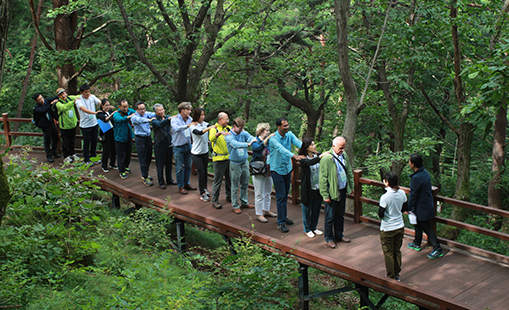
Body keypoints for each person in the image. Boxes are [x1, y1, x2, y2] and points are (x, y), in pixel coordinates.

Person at [269, 117, 305, 233]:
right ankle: (281, 222)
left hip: (287, 169)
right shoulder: (273, 139)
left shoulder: (289, 134)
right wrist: (294, 156)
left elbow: (299, 143)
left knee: (285, 194)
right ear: (278, 127)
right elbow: (281, 149)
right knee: (280, 196)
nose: (287, 127)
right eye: (284, 125)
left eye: (287, 125)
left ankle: (283, 217)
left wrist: (310, 149)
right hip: (277, 170)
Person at [406, 153, 444, 259]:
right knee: (417, 224)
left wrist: (409, 207)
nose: (409, 163)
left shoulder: (416, 178)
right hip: (425, 205)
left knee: (427, 228)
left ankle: (437, 249)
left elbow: (413, 194)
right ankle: (417, 242)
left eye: (409, 161)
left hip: (422, 207)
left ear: (413, 164)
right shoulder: (424, 173)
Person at [319, 136, 354, 248]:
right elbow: (323, 178)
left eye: (343, 147)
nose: (342, 150)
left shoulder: (344, 155)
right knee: (330, 216)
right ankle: (329, 238)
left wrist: (351, 186)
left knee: (340, 215)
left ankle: (339, 234)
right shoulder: (326, 159)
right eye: (340, 148)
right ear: (333, 146)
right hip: (332, 192)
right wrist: (325, 195)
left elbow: (349, 171)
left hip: (342, 190)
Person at [378, 171, 407, 281]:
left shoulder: (385, 197)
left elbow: (380, 214)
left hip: (388, 227)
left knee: (388, 252)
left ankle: (390, 276)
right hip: (399, 225)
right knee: (397, 250)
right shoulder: (402, 193)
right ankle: (397, 273)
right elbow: (404, 208)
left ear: (386, 182)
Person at [224, 117, 255, 214]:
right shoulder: (228, 136)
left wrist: (252, 140)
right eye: (240, 128)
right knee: (235, 185)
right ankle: (235, 205)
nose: (241, 130)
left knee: (245, 183)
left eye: (242, 128)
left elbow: (251, 137)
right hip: (235, 164)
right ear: (234, 126)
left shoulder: (243, 132)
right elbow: (235, 144)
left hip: (244, 162)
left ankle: (244, 202)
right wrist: (248, 144)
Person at [299, 138, 328, 238]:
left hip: (318, 187)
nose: (314, 146)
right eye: (312, 145)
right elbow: (309, 163)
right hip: (308, 188)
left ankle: (314, 227)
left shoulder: (317, 155)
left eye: (314, 144)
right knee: (307, 209)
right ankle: (307, 229)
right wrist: (320, 156)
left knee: (316, 208)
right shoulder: (303, 158)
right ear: (307, 148)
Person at [251, 123, 276, 223]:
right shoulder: (255, 141)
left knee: (268, 191)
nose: (268, 132)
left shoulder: (269, 142)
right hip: (259, 170)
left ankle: (266, 210)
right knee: (259, 193)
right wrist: (267, 139)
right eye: (267, 130)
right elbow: (257, 148)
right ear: (261, 131)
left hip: (268, 169)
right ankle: (259, 213)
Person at [190, 108, 216, 201]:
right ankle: (202, 193)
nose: (203, 117)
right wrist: (209, 128)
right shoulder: (192, 126)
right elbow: (200, 133)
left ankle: (205, 188)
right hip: (196, 154)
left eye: (204, 115)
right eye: (201, 115)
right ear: (197, 116)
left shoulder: (204, 124)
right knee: (201, 172)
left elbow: (212, 126)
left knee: (205, 172)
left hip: (205, 152)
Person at [171, 102, 197, 194]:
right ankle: (180, 186)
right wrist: (187, 126)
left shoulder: (190, 119)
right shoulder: (175, 119)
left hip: (188, 145)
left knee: (188, 166)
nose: (190, 111)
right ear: (182, 110)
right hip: (178, 147)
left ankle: (187, 183)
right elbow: (175, 128)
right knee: (179, 168)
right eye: (188, 110)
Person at [209, 112, 232, 209]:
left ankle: (229, 196)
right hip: (218, 159)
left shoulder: (228, 128)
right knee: (218, 180)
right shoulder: (214, 129)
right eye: (226, 119)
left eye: (228, 119)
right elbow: (211, 138)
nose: (227, 121)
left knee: (229, 179)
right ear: (220, 120)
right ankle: (215, 201)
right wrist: (219, 133)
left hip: (229, 158)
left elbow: (237, 132)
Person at [131, 101, 157, 187]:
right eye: (141, 109)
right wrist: (149, 120)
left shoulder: (146, 114)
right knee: (143, 157)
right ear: (136, 110)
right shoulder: (134, 117)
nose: (143, 111)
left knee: (149, 156)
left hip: (148, 138)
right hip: (140, 138)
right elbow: (140, 120)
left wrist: (159, 112)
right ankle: (145, 176)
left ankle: (146, 172)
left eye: (144, 108)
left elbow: (154, 113)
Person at [152, 104, 176, 189]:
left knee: (169, 164)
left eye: (162, 109)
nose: (162, 111)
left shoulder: (166, 117)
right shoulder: (154, 120)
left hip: (169, 144)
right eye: (159, 110)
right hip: (160, 146)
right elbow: (159, 125)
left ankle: (169, 179)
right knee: (160, 164)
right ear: (155, 112)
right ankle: (161, 182)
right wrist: (168, 119)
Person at [75, 84, 100, 165]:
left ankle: (93, 157)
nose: (88, 93)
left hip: (94, 123)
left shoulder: (92, 97)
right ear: (81, 93)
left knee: (94, 141)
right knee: (87, 142)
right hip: (85, 125)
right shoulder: (79, 100)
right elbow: (83, 109)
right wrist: (95, 113)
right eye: (86, 92)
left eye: (89, 91)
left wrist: (105, 105)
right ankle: (86, 159)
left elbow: (99, 102)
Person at [32, 93, 61, 162]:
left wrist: (61, 95)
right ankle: (49, 155)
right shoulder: (37, 108)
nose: (42, 100)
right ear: (36, 101)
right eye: (39, 100)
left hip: (51, 123)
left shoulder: (46, 101)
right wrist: (51, 104)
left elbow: (54, 97)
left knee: (55, 137)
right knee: (47, 140)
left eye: (42, 98)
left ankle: (54, 152)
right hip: (44, 126)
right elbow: (44, 110)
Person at [55, 88, 80, 163]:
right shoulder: (58, 103)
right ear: (58, 96)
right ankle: (66, 156)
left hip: (73, 124)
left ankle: (72, 154)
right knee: (65, 142)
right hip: (65, 126)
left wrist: (85, 95)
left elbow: (78, 97)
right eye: (61, 94)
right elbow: (64, 108)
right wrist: (73, 102)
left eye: (64, 93)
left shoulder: (69, 98)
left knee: (72, 141)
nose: (63, 95)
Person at [113, 100, 135, 179]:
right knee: (121, 155)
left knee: (128, 153)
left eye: (126, 106)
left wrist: (132, 114)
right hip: (120, 138)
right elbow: (119, 120)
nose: (126, 108)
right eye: (124, 107)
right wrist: (128, 117)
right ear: (119, 107)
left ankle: (126, 166)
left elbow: (135, 112)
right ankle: (121, 170)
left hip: (128, 136)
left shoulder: (129, 111)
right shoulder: (116, 114)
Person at [96, 99, 117, 173]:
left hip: (112, 133)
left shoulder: (110, 112)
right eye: (106, 105)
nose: (108, 107)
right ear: (102, 106)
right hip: (105, 134)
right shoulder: (100, 113)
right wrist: (113, 114)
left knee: (113, 149)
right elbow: (106, 119)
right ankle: (104, 165)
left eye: (109, 105)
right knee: (106, 150)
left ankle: (112, 163)